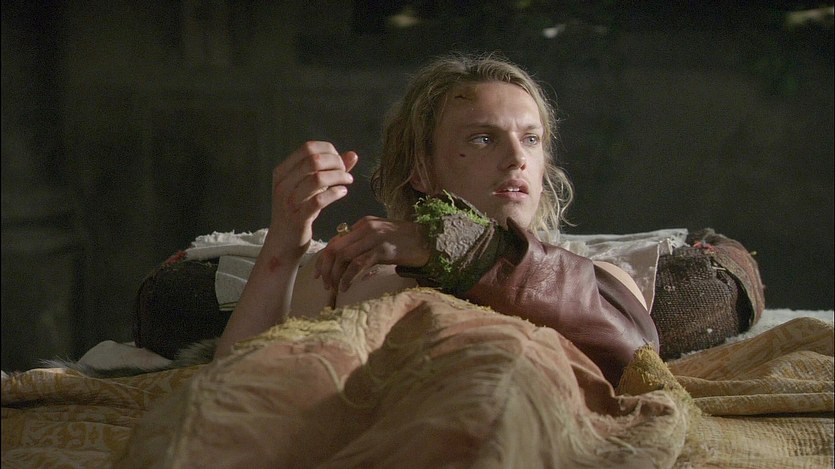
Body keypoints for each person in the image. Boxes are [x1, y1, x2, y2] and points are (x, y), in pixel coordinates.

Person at [215, 52, 658, 385]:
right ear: (421, 170)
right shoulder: (346, 276)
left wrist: (451, 246)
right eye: (483, 138)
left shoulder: (599, 282)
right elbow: (237, 394)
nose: (517, 158)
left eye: (531, 139)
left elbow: (639, 361)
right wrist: (285, 241)